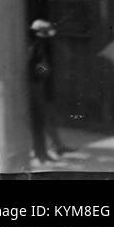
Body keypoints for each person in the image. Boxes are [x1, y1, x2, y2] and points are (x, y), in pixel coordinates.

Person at [28, 19, 70, 163]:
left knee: (50, 117)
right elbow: (34, 69)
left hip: (46, 86)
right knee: (45, 119)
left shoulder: (43, 47)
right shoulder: (36, 48)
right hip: (40, 88)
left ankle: (57, 145)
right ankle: (51, 147)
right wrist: (45, 69)